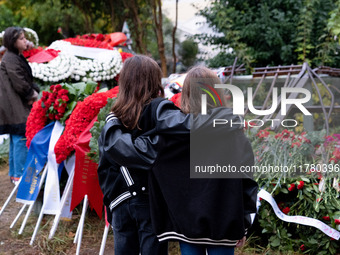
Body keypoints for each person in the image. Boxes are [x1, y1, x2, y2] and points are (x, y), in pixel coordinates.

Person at [101, 66, 258, 255]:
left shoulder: (174, 138)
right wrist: (244, 222)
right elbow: (246, 180)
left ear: (187, 94)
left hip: (186, 224)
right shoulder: (234, 135)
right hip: (224, 222)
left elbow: (159, 174)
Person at [97, 54, 190, 255]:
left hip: (120, 200)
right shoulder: (159, 108)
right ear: (153, 80)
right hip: (149, 200)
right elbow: (188, 128)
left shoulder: (114, 117)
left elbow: (103, 165)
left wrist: (112, 197)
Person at [0, 27, 39, 185]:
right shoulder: (11, 58)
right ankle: (20, 175)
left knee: (15, 138)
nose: (25, 41)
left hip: (13, 102)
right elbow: (19, 82)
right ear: (13, 42)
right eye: (21, 38)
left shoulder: (13, 56)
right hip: (14, 104)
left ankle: (15, 174)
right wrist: (32, 94)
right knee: (20, 137)